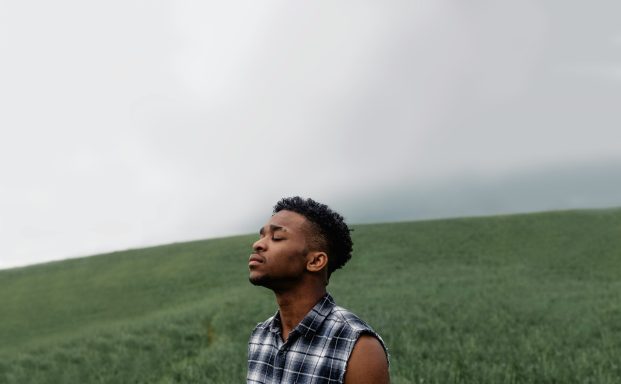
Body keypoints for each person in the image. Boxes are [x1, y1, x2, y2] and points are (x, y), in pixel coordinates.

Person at [247, 196, 389, 384]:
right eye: (262, 235)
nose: (258, 244)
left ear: (315, 261)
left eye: (277, 237)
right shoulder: (260, 336)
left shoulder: (358, 346)